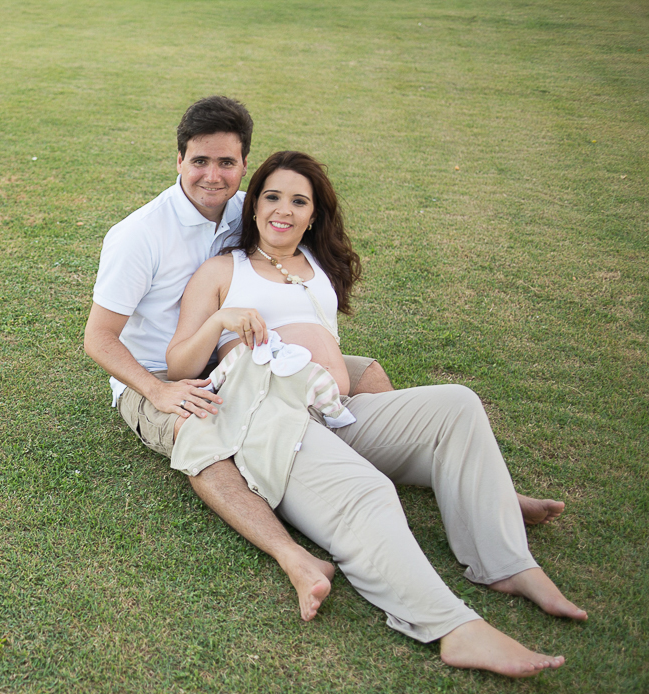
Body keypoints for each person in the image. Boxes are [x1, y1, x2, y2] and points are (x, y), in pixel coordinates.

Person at [84, 96, 563, 624]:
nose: (212, 175)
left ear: (244, 163)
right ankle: (292, 554)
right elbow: (100, 339)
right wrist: (159, 391)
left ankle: (472, 486)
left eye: (226, 162)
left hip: (257, 357)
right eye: (199, 161)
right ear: (178, 160)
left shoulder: (250, 207)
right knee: (204, 438)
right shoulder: (139, 235)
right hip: (160, 374)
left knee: (367, 374)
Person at [165, 150, 586, 677]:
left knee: (456, 404)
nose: (284, 210)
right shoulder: (224, 269)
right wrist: (221, 321)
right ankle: (453, 629)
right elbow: (178, 361)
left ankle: (506, 563)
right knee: (369, 492)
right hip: (268, 421)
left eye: (300, 201)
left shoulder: (318, 268)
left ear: (314, 215)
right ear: (253, 207)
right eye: (272, 196)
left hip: (336, 411)